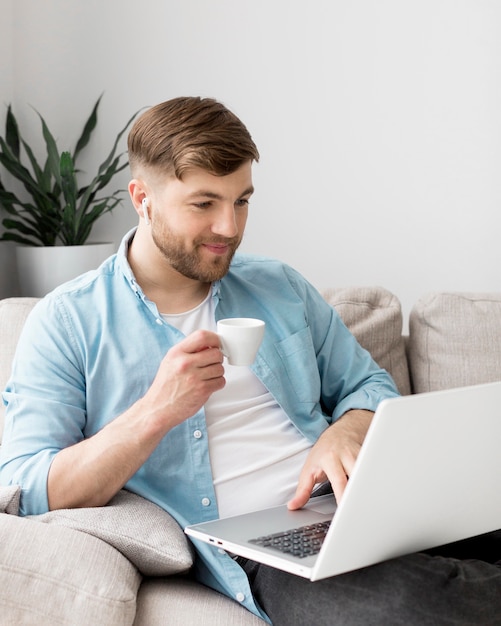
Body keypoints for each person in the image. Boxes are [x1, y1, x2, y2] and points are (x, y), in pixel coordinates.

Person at [0, 96, 500, 626]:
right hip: (266, 547)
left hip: (363, 503)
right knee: (406, 607)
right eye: (204, 203)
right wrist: (156, 412)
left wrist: (347, 430)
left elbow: (367, 384)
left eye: (242, 201)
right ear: (142, 199)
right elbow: (25, 486)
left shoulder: (277, 285)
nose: (230, 227)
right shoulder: (68, 321)